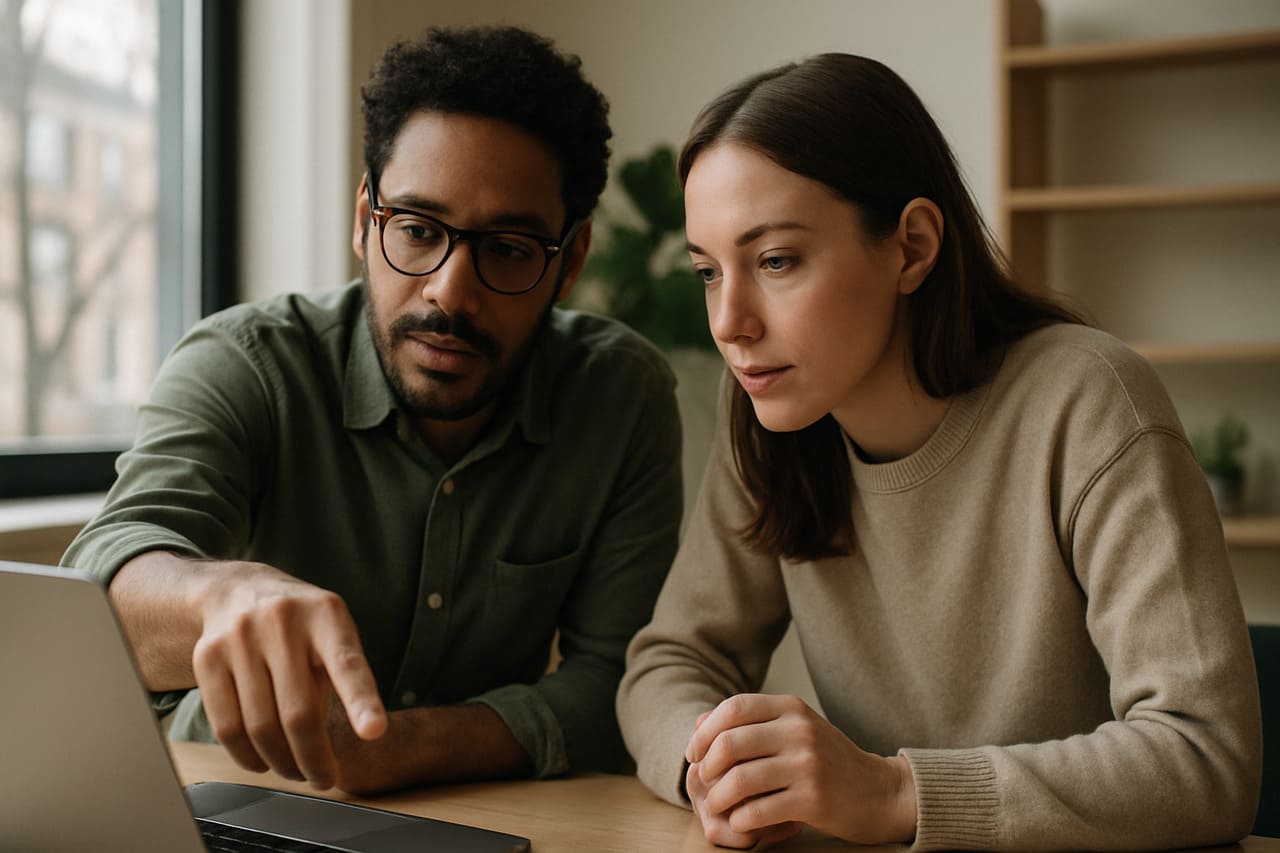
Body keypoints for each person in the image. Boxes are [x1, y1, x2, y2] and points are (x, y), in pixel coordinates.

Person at [616, 53, 1261, 850]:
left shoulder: (1087, 400)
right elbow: (669, 661)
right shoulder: (767, 412)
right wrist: (714, 766)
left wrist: (896, 791)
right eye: (709, 272)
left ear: (913, 246)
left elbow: (1207, 757)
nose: (729, 322)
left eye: (775, 260)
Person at [62, 25, 683, 796]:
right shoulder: (245, 362)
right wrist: (220, 594)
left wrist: (399, 749)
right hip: (226, 800)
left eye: (510, 250)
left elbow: (619, 683)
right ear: (364, 219)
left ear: (571, 259)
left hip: (479, 816)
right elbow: (103, 582)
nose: (451, 291)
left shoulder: (622, 397)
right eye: (418, 231)